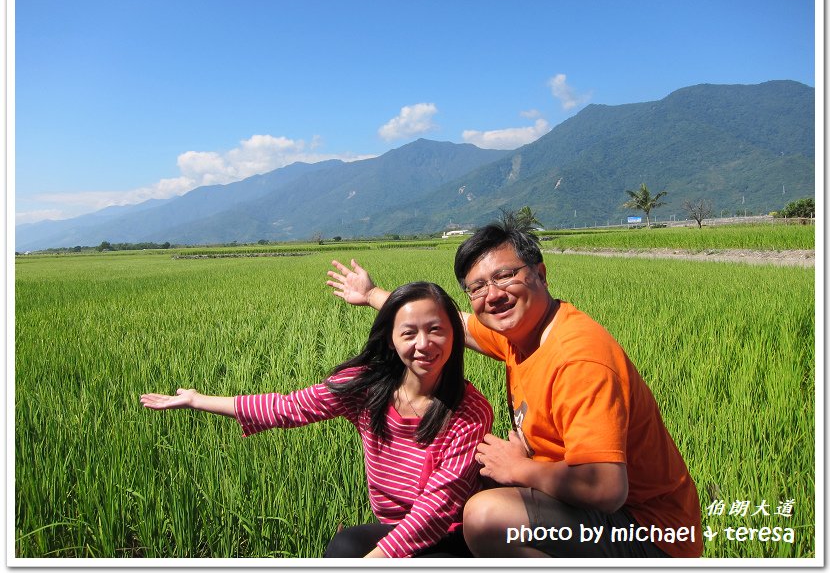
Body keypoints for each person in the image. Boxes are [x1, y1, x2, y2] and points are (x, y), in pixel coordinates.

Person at [326, 218, 703, 558]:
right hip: (589, 514)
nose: (493, 294)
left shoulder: (578, 360)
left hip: (649, 535)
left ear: (540, 273)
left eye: (505, 275)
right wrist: (374, 295)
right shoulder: (518, 334)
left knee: (486, 515)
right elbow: (445, 324)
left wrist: (520, 468)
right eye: (477, 287)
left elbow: (605, 488)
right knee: (472, 487)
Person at [141, 281, 494, 558]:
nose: (423, 344)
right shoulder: (366, 386)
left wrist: (376, 560)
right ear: (390, 339)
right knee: (344, 547)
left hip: (447, 535)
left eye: (436, 330)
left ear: (454, 336)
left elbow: (437, 508)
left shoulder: (469, 411)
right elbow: (288, 407)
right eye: (409, 332)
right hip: (390, 527)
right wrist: (198, 400)